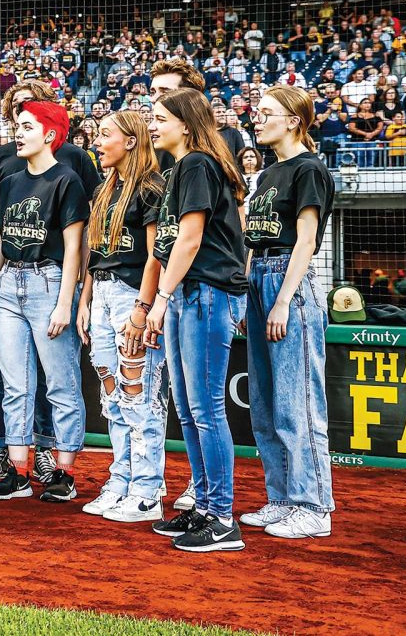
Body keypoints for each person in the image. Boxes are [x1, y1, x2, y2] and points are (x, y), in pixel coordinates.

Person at [0, 79, 102, 485]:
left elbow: (75, 247)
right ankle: (17, 470)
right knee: (15, 384)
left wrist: (65, 302)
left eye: (28, 127)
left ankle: (63, 473)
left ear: (50, 135)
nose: (19, 132)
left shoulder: (66, 179)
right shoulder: (11, 180)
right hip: (8, 286)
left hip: (48, 283)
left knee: (61, 384)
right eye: (18, 126)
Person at [145, 88, 249, 552]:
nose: (153, 125)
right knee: (189, 410)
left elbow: (189, 238)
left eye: (160, 118)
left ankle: (223, 518)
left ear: (185, 124)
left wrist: (161, 298)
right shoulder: (181, 168)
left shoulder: (197, 164)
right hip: (191, 292)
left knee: (204, 409)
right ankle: (205, 506)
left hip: (204, 293)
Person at [242, 86, 335, 539]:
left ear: (294, 121)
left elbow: (306, 240)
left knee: (297, 404)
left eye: (266, 113)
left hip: (287, 282)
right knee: (264, 404)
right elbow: (251, 239)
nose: (257, 119)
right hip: (259, 277)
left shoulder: (309, 169)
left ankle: (313, 506)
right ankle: (281, 498)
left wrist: (282, 299)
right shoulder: (269, 172)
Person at [75, 111, 167, 523]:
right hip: (103, 294)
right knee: (111, 394)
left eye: (105, 134)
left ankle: (147, 489)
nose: (97, 140)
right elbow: (96, 257)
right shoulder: (103, 189)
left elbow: (155, 256)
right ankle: (121, 478)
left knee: (139, 394)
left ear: (131, 140)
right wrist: (85, 301)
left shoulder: (150, 188)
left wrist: (143, 309)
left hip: (133, 295)